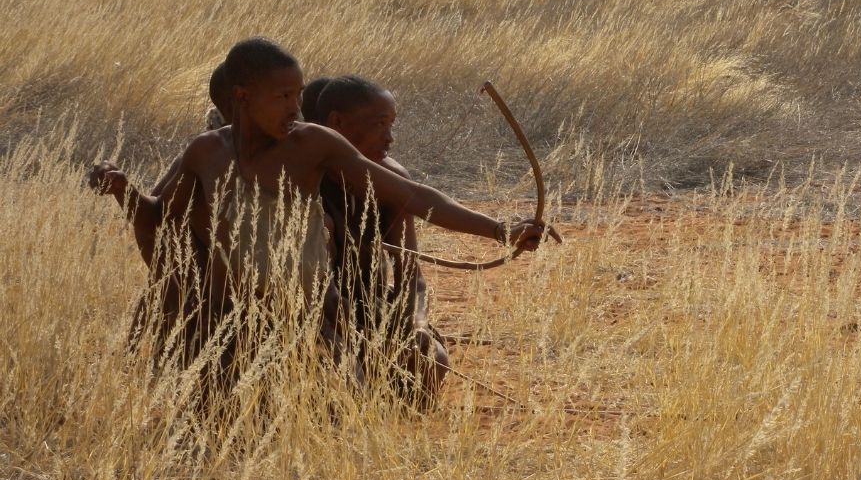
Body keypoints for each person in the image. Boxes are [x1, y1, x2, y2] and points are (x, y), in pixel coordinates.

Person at [149, 37, 554, 392]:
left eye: (298, 94)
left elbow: (413, 195)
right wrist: (174, 304)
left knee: (345, 406)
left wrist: (500, 230)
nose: (295, 107)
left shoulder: (313, 145)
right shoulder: (205, 153)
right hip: (228, 322)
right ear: (241, 98)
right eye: (282, 97)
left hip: (306, 320)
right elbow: (162, 222)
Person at [310, 74, 447, 407]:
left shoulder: (393, 180)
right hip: (317, 316)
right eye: (379, 125)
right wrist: (337, 331)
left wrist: (415, 323)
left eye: (392, 125)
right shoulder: (302, 179)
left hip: (369, 305)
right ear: (335, 124)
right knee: (337, 378)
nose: (390, 139)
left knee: (430, 361)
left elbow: (410, 272)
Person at [89, 62, 234, 360]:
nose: (292, 107)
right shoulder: (205, 155)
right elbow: (154, 222)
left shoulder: (293, 150)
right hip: (196, 286)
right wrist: (121, 188)